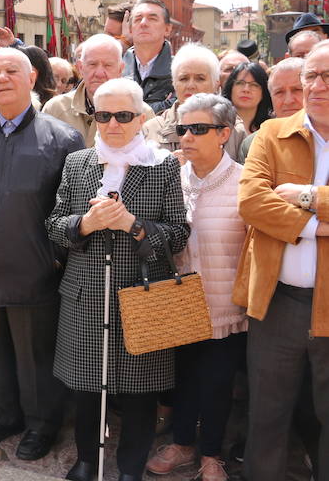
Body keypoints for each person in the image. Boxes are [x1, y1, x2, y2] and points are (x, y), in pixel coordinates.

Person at [45, 77, 189, 481]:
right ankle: (88, 458)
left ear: (141, 117)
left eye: (123, 116)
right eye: (103, 115)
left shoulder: (162, 166)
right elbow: (54, 225)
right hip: (86, 293)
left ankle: (130, 466)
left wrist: (133, 224)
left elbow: (179, 234)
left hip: (141, 293)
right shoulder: (78, 163)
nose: (112, 124)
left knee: (140, 392)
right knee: (88, 387)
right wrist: (85, 224)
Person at [0, 48, 84, 460]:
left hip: (34, 271)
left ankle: (42, 424)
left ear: (32, 78)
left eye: (13, 70)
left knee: (34, 356)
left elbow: (72, 209)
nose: (3, 78)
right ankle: (3, 414)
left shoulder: (62, 138)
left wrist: (55, 260)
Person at [234, 40, 329, 481]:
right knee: (267, 415)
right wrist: (314, 227)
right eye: (312, 75)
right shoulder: (272, 135)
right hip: (278, 304)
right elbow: (252, 203)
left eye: (327, 76)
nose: (317, 86)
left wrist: (309, 197)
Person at [144, 94, 247, 481]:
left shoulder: (244, 182)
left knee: (218, 384)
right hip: (178, 304)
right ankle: (183, 444)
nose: (187, 136)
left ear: (223, 133)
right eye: (182, 128)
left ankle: (211, 454)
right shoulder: (169, 180)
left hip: (226, 308)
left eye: (199, 129)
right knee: (182, 379)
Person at [44, 34, 153, 147]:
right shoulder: (55, 110)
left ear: (120, 69)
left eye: (108, 65)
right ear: (81, 68)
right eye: (92, 64)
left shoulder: (141, 112)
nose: (99, 73)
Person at [143, 43, 247, 161]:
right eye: (184, 78)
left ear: (216, 83)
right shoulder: (151, 129)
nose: (191, 85)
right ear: (174, 83)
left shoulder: (235, 131)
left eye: (200, 78)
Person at [239, 57, 305, 161]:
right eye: (279, 92)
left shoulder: (323, 138)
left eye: (297, 90)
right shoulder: (254, 144)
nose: (288, 100)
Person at [122, 0, 175, 113]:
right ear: (130, 29)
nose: (143, 23)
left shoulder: (181, 71)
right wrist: (162, 106)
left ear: (167, 29)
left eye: (152, 18)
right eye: (138, 19)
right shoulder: (115, 69)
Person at [222, 62, 271, 135]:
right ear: (231, 88)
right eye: (240, 83)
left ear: (264, 92)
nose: (246, 89)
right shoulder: (217, 124)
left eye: (254, 85)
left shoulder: (270, 129)